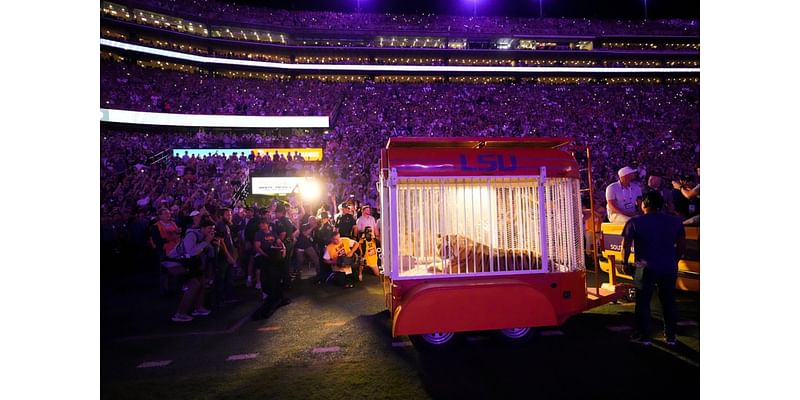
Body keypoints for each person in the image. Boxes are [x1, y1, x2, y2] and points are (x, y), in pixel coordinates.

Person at [621, 191, 686, 346]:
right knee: (669, 301)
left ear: (644, 204)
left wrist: (624, 263)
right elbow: (681, 245)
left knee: (642, 302)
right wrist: (674, 260)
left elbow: (626, 246)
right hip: (668, 266)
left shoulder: (634, 221)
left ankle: (644, 336)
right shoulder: (675, 221)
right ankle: (671, 336)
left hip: (642, 267)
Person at [170, 218, 215, 322]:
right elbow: (190, 252)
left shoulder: (205, 237)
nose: (211, 231)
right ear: (202, 228)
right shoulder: (191, 235)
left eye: (213, 229)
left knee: (203, 282)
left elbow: (210, 253)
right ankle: (180, 313)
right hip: (177, 262)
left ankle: (198, 308)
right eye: (209, 228)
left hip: (192, 264)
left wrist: (211, 244)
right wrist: (206, 242)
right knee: (194, 284)